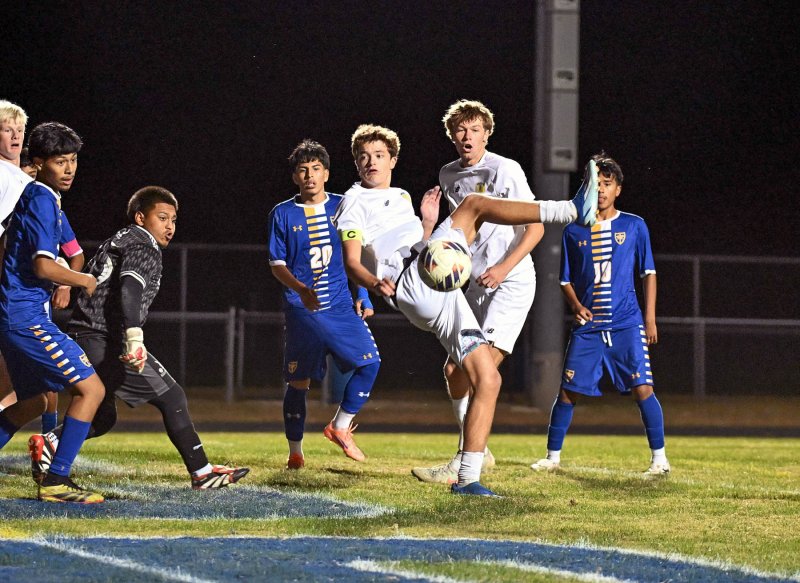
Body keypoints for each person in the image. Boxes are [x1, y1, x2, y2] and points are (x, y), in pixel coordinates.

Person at [335, 124, 598, 496]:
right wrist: (373, 283)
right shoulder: (353, 200)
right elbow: (352, 261)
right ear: (355, 163)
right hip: (413, 282)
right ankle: (571, 209)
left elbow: (413, 244)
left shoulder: (402, 196)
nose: (370, 162)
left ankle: (468, 479)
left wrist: (428, 224)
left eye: (378, 155)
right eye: (363, 157)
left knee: (487, 379)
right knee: (474, 205)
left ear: (393, 160)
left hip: (436, 284)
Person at [28, 186, 250, 489]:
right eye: (162, 218)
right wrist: (134, 336)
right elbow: (130, 289)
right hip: (103, 338)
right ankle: (202, 472)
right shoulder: (144, 244)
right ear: (140, 218)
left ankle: (51, 443)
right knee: (172, 397)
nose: (170, 226)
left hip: (85, 334)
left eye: (173, 220)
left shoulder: (120, 238)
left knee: (102, 416)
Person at [412, 100, 544, 484]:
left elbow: (536, 226)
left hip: (512, 282)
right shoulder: (448, 175)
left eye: (474, 129)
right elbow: (462, 232)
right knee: (453, 370)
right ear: (452, 136)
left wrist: (503, 268)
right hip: (474, 284)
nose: (467, 136)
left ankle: (463, 463)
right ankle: (478, 451)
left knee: (479, 372)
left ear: (487, 133)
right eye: (460, 130)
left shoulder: (506, 170)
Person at [529, 153, 669, 475]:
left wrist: (649, 318)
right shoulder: (574, 231)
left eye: (607, 184)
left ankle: (659, 460)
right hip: (589, 327)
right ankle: (552, 458)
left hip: (626, 324)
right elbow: (564, 280)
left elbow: (648, 272)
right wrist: (576, 306)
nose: (602, 190)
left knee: (643, 389)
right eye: (596, 184)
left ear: (618, 189)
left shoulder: (634, 225)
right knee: (567, 392)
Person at [0, 121, 106, 503]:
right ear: (40, 162)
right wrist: (82, 281)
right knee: (91, 390)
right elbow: (44, 266)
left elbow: (9, 247)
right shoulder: (42, 199)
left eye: (73, 160)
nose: (69, 169)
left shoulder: (39, 197)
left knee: (32, 402)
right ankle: (56, 481)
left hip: (14, 316)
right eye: (61, 161)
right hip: (26, 319)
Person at [268, 140, 380, 469]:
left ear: (326, 174)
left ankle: (340, 426)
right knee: (299, 382)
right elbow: (277, 264)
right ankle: (296, 452)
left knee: (370, 364)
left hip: (341, 307)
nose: (310, 176)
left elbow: (357, 256)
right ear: (295, 177)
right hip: (303, 310)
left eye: (316, 169)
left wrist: (363, 295)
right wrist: (301, 289)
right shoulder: (282, 213)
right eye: (303, 170)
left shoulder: (344, 206)